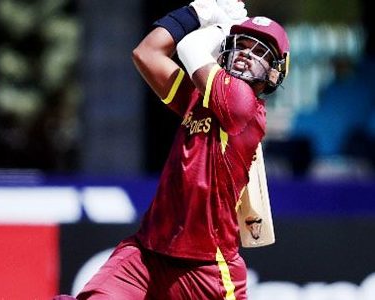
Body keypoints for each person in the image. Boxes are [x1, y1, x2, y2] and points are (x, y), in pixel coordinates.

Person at [54, 0, 290, 299]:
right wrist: (193, 13)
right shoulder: (197, 99)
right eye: (241, 45)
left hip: (207, 268)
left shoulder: (244, 107)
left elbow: (190, 50)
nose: (246, 55)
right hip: (147, 253)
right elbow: (148, 53)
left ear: (274, 73)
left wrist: (217, 24)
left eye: (259, 53)